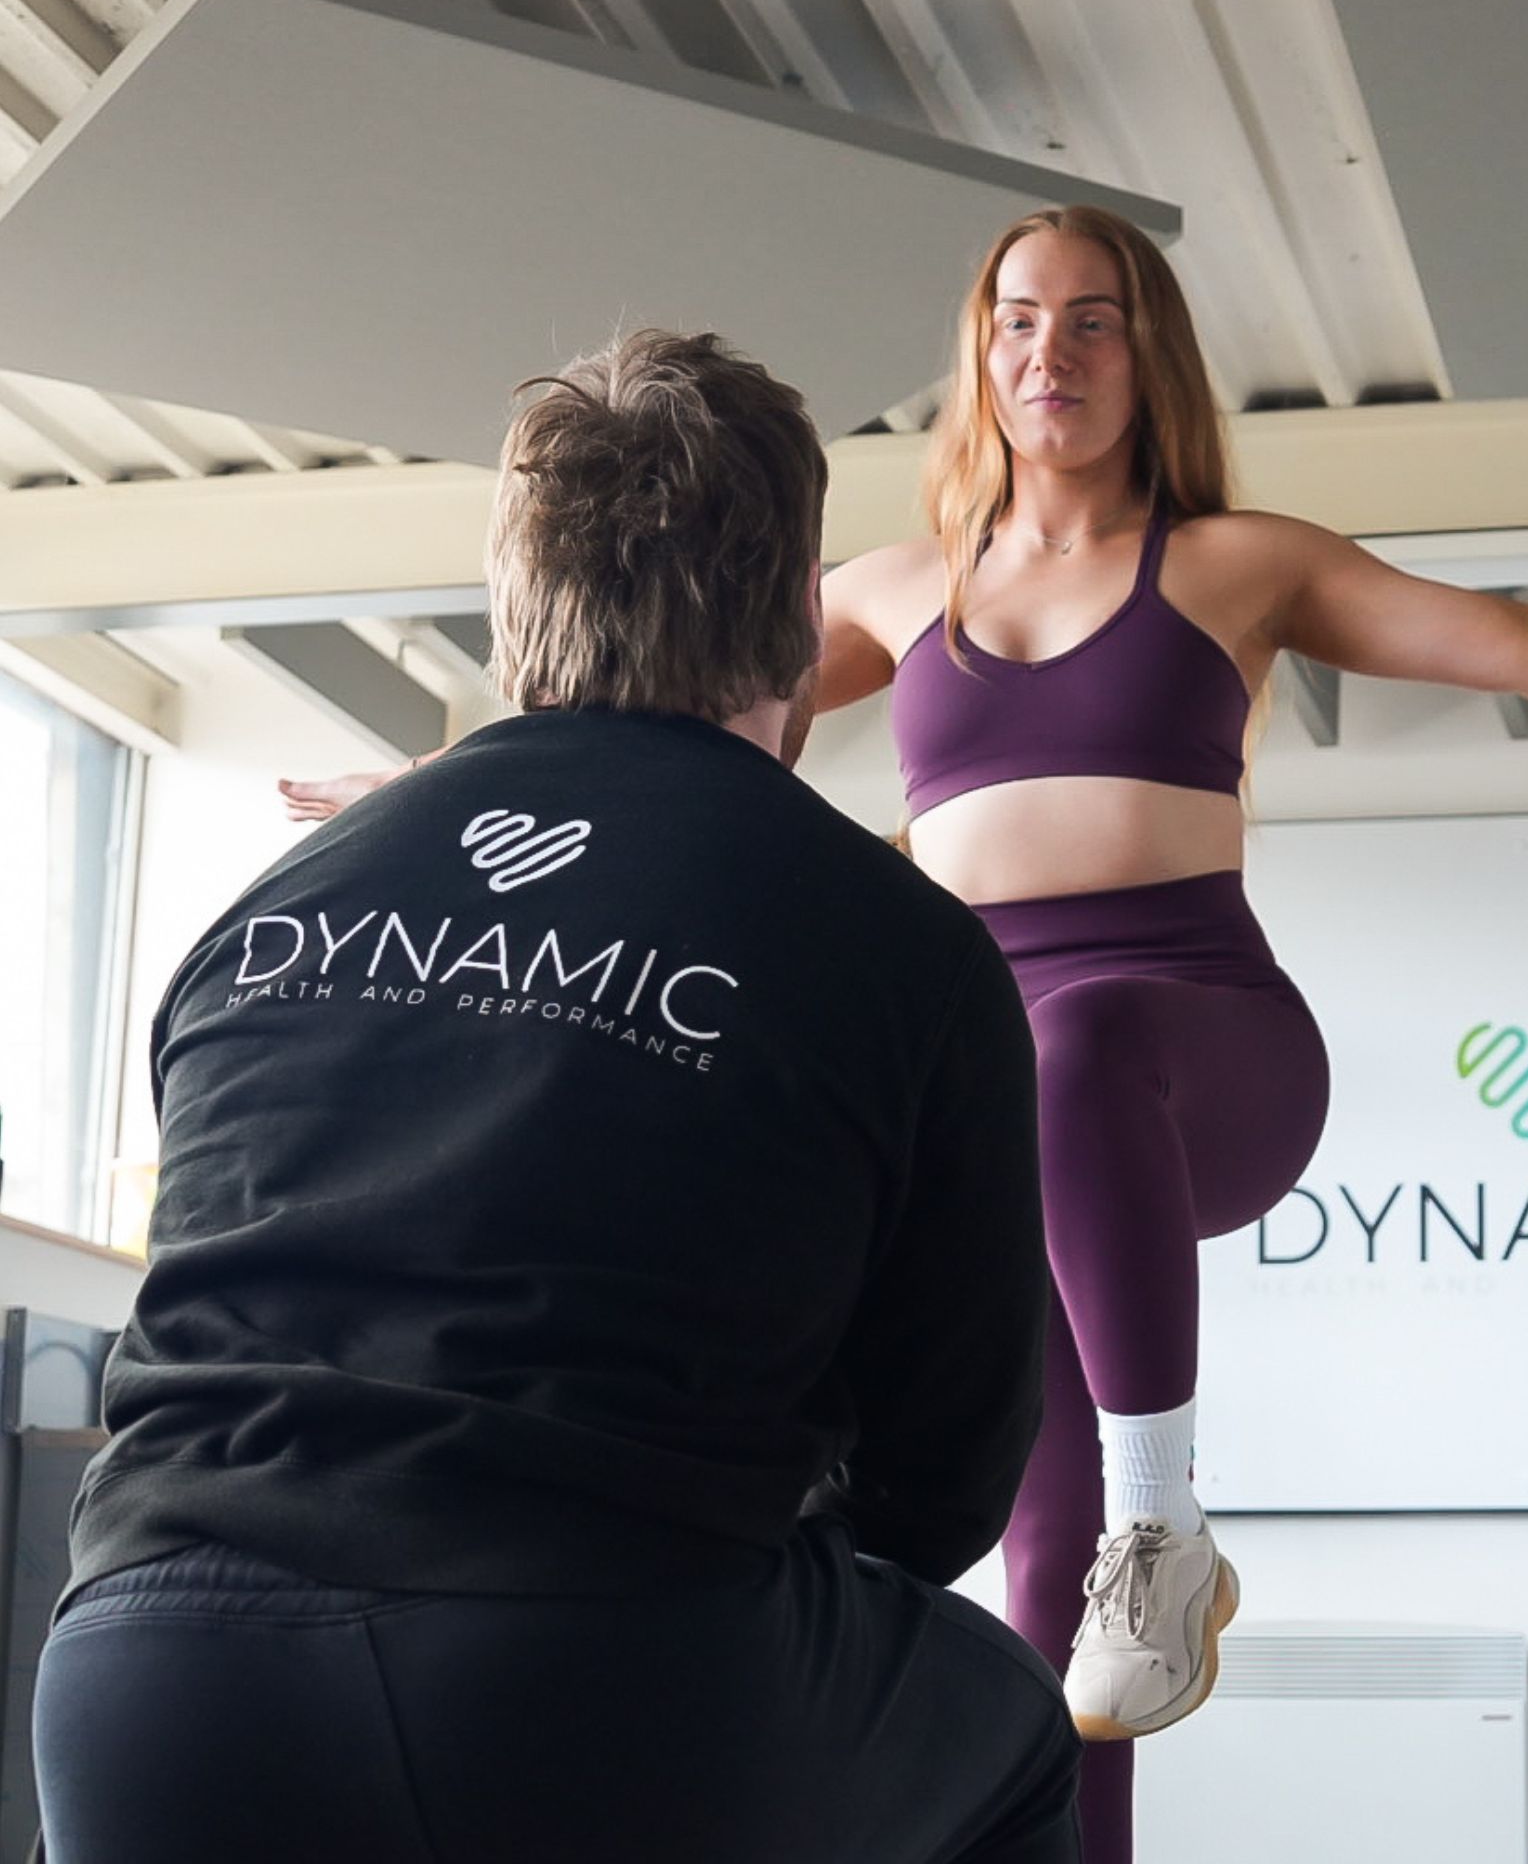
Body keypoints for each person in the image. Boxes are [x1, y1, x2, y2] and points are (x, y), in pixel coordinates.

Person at [282, 206, 1528, 1864]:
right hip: (1003, 1107)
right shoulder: (898, 590)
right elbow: (660, 728)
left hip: (1205, 1046)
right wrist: (432, 796)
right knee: (1056, 1585)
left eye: (1091, 320)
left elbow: (1521, 642)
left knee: (1077, 1077)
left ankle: (1169, 1515)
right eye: (1014, 322)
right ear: (978, 360)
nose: (1047, 352)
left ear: (1150, 358)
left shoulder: (1236, 564)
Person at [34, 330, 1083, 1864]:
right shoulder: (903, 946)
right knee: (1012, 1744)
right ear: (801, 625)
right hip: (592, 1664)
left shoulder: (260, 913)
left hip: (146, 1679)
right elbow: (941, 1491)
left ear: (509, 610)